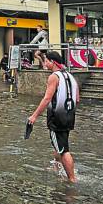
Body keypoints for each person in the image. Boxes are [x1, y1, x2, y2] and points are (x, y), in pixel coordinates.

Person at [27, 50, 79, 183]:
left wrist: (34, 116)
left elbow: (46, 98)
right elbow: (77, 99)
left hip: (57, 118)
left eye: (46, 61)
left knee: (64, 150)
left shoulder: (53, 77)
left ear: (53, 62)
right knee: (60, 143)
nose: (45, 63)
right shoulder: (70, 76)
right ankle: (56, 167)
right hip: (69, 116)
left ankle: (72, 179)